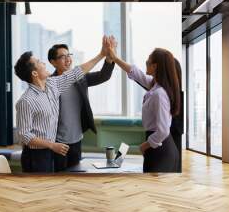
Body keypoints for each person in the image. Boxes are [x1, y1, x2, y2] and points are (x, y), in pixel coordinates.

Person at [14, 36, 111, 173]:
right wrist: (52, 145)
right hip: (35, 156)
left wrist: (102, 54)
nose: (44, 63)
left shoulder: (52, 85)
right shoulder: (26, 101)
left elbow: (77, 72)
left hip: (50, 151)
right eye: (39, 62)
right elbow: (24, 135)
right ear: (35, 73)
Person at [107, 40, 180, 172]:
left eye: (148, 62)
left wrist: (145, 145)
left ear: (155, 66)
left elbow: (163, 131)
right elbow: (135, 73)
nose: (145, 63)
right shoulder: (154, 86)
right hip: (158, 146)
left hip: (161, 149)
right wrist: (115, 58)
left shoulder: (159, 94)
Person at [47, 43, 116, 172]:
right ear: (53, 62)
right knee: (59, 179)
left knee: (75, 178)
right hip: (57, 141)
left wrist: (109, 58)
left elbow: (103, 75)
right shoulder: (50, 83)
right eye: (62, 57)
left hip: (77, 139)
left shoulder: (80, 78)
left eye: (69, 55)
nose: (68, 59)